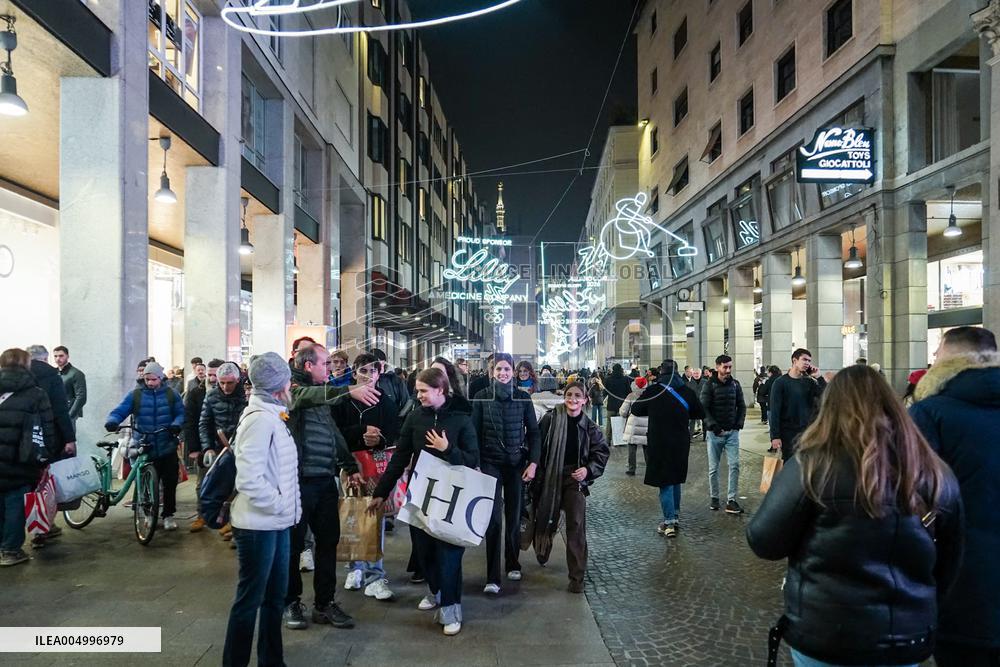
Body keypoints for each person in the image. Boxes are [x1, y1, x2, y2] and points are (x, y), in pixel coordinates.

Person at [747, 364, 963, 667]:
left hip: (825, 634)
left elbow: (764, 541)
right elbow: (951, 561)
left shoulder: (810, 466)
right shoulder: (933, 471)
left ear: (829, 407)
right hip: (904, 638)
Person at [909, 326, 1000, 666]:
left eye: (936, 353)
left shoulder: (931, 412)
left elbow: (912, 496)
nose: (932, 359)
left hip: (962, 585)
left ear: (948, 358)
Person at [368, 368, 479, 636]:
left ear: (440, 390)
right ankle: (435, 589)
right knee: (424, 551)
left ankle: (451, 608)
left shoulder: (461, 419)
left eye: (423, 391)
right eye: (417, 391)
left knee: (449, 554)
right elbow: (399, 457)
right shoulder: (415, 418)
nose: (418, 396)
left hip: (453, 495)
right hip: (420, 493)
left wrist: (447, 449)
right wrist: (381, 492)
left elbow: (472, 459)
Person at [283, 344, 377, 631]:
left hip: (324, 481)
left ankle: (324, 603)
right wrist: (347, 391)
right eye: (325, 363)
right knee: (294, 546)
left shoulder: (321, 391)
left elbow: (331, 431)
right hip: (297, 482)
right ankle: (291, 602)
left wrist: (349, 466)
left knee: (328, 542)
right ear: (309, 365)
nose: (330, 369)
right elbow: (302, 397)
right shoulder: (293, 387)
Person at [222, 353, 300, 667]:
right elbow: (249, 479)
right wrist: (280, 504)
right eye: (287, 378)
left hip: (275, 523)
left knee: (274, 599)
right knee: (250, 600)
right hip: (257, 526)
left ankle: (272, 661)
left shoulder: (273, 414)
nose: (291, 383)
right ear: (279, 385)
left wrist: (283, 511)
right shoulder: (259, 419)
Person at [333, 353, 400, 602]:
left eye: (373, 371)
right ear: (354, 372)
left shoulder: (387, 402)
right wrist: (361, 432)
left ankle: (375, 574)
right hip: (349, 465)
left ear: (379, 374)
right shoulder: (343, 401)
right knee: (351, 515)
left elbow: (393, 434)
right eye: (363, 371)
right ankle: (354, 567)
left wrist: (379, 439)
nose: (368, 376)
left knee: (375, 519)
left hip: (377, 466)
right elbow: (336, 433)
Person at [471, 352, 540, 592]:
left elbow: (533, 432)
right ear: (492, 371)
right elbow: (474, 434)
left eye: (507, 369)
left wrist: (533, 462)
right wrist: (477, 464)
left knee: (513, 516)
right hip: (490, 464)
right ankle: (492, 577)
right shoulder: (480, 397)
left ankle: (513, 562)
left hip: (515, 466)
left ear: (513, 372)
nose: (503, 373)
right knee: (493, 521)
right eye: (498, 369)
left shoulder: (523, 398)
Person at [533, 380, 609, 593]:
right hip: (550, 477)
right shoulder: (550, 420)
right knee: (547, 517)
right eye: (569, 395)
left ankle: (577, 577)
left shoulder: (590, 427)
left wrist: (588, 470)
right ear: (564, 397)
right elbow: (537, 446)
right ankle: (542, 550)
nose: (572, 399)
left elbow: (601, 453)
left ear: (585, 400)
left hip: (575, 480)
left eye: (577, 396)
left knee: (576, 525)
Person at [104, 361, 185, 530]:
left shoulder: (172, 394)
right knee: (145, 484)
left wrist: (177, 424)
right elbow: (120, 410)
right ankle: (148, 513)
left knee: (169, 483)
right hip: (145, 444)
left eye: (153, 379)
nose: (150, 383)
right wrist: (112, 421)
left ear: (161, 378)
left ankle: (168, 515)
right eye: (147, 379)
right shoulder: (136, 395)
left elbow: (180, 413)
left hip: (167, 443)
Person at [629, 360, 704, 538]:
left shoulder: (654, 391)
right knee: (676, 478)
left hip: (660, 441)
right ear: (677, 372)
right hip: (680, 441)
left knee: (665, 481)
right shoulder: (687, 391)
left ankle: (669, 522)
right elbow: (699, 413)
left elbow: (636, 409)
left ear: (661, 373)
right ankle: (675, 516)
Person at [0, 348, 59, 567]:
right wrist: (47, 456)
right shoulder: (36, 393)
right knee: (15, 502)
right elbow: (46, 428)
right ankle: (10, 550)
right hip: (21, 457)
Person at [190, 362, 248, 532]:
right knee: (205, 482)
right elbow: (204, 423)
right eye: (221, 382)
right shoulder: (212, 395)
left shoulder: (246, 395)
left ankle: (235, 526)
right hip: (217, 446)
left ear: (237, 380)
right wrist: (207, 447)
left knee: (240, 488)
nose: (225, 386)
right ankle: (205, 515)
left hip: (241, 447)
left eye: (229, 383)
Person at [700, 355, 746, 514]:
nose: (728, 370)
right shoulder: (709, 385)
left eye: (730, 367)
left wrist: (738, 424)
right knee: (714, 468)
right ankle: (714, 497)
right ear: (718, 367)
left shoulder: (735, 384)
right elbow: (703, 409)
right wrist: (713, 426)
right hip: (715, 434)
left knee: (734, 466)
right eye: (725, 367)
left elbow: (742, 406)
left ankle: (731, 500)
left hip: (732, 433)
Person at [768, 349, 825, 461]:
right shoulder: (780, 383)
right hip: (788, 433)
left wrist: (819, 377)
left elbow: (826, 396)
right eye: (804, 359)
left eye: (809, 361)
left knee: (807, 464)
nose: (807, 363)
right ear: (794, 360)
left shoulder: (809, 382)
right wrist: (775, 436)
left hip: (807, 432)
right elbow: (774, 411)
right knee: (790, 465)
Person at [26, 345, 75, 459]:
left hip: (24, 434)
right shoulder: (53, 377)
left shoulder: (18, 377)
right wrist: (69, 439)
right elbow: (60, 410)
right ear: (46, 359)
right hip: (50, 433)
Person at [619, 376, 648, 476]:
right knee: (647, 447)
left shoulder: (631, 396)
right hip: (646, 425)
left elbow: (623, 411)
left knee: (632, 447)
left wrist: (625, 414)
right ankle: (650, 468)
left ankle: (632, 469)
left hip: (633, 424)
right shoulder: (649, 395)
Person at [53, 346, 87, 426]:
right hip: (54, 413)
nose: (58, 358)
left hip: (68, 412)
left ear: (67, 356)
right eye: (55, 356)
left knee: (68, 437)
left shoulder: (76, 373)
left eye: (61, 356)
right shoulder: (53, 372)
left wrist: (70, 415)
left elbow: (81, 397)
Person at [602, 363, 632, 438]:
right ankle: (620, 439)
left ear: (613, 370)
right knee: (622, 423)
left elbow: (605, 392)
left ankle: (608, 440)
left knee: (609, 423)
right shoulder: (625, 379)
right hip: (622, 405)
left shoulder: (608, 379)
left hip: (611, 405)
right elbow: (629, 392)